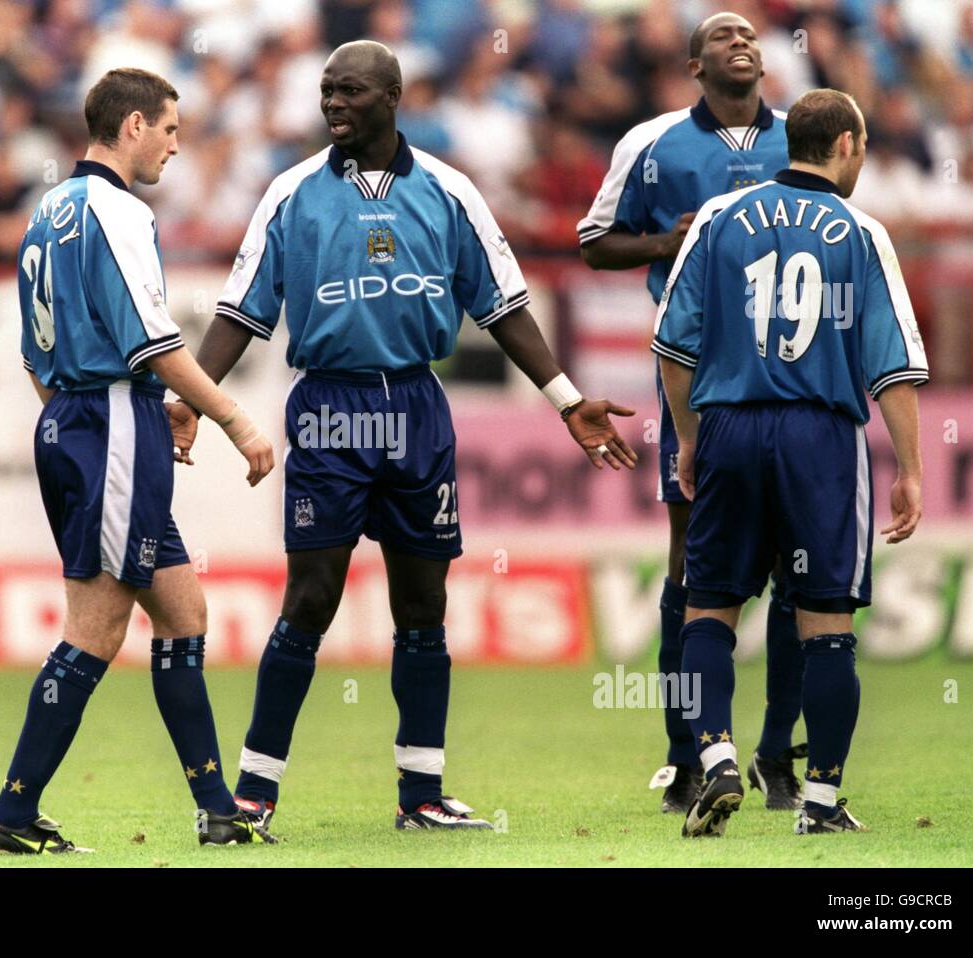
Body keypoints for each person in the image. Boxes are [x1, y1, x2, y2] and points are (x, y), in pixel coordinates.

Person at [172, 40, 637, 832]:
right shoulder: (290, 193)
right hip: (328, 410)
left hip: (419, 407)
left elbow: (503, 308)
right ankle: (253, 792)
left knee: (423, 604)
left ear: (393, 95)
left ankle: (421, 795)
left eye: (349, 91)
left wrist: (564, 400)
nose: (332, 104)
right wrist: (198, 401)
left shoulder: (451, 193)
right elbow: (241, 312)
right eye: (326, 92)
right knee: (311, 597)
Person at [0, 67, 277, 854]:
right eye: (172, 131)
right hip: (108, 420)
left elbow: (36, 362)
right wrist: (236, 420)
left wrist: (113, 422)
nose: (177, 148)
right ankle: (11, 813)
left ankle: (218, 809)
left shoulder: (47, 211)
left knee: (182, 612)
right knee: (97, 627)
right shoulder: (118, 210)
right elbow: (159, 343)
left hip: (84, 420)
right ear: (135, 125)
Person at [652, 88, 927, 836]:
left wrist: (686, 436)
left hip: (732, 426)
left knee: (709, 605)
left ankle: (714, 757)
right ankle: (821, 802)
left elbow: (672, 346)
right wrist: (911, 468)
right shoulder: (862, 231)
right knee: (826, 621)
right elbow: (894, 367)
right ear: (844, 145)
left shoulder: (718, 218)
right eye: (863, 145)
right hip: (820, 437)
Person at [577, 11, 806, 814]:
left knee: (794, 561)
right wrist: (662, 245)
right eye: (721, 34)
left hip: (796, 369)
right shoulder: (651, 143)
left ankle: (779, 751)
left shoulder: (804, 137)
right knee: (691, 557)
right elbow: (595, 240)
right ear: (693, 63)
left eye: (749, 32)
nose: (741, 39)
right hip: (701, 369)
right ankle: (686, 752)